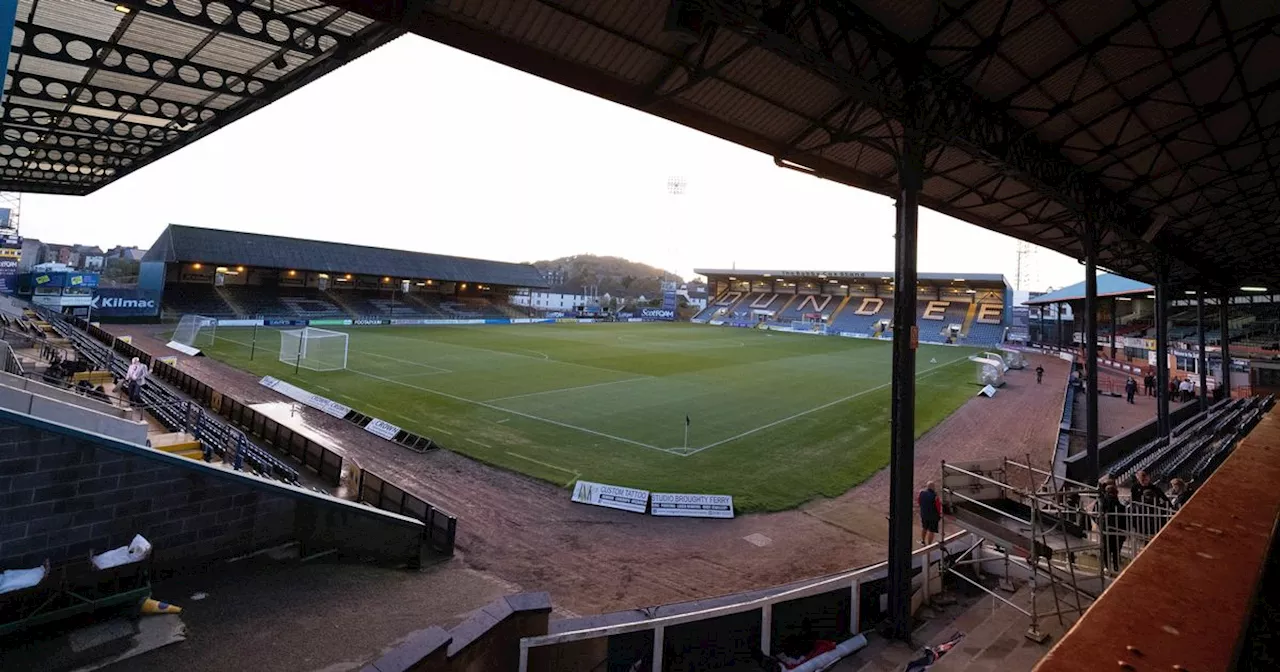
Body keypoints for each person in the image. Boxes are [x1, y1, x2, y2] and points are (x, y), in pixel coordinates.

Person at [1100, 483, 1126, 572]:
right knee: (1116, 550)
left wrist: (1101, 523)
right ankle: (1115, 567)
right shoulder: (1120, 506)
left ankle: (1108, 567)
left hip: (1107, 529)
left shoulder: (1103, 503)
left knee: (1107, 550)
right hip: (1117, 530)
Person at [918, 481, 942, 547]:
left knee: (924, 527)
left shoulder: (921, 493)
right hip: (933, 516)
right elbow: (938, 507)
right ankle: (929, 544)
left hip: (924, 514)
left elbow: (919, 502)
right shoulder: (935, 496)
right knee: (932, 530)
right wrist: (939, 514)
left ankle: (923, 541)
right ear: (933, 487)